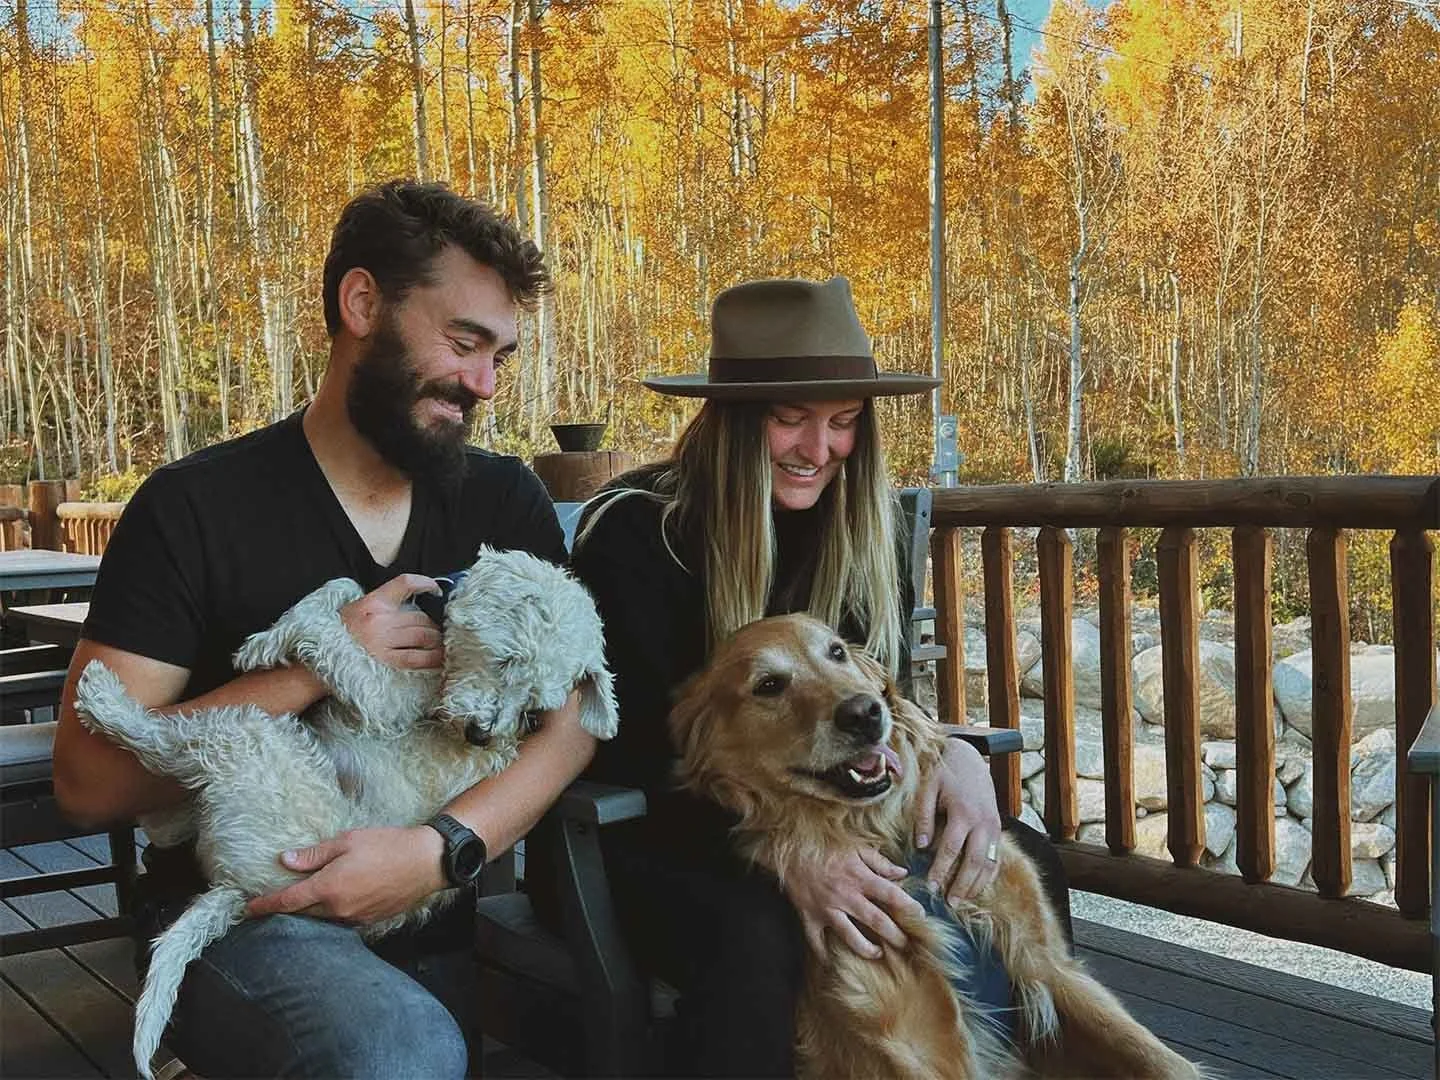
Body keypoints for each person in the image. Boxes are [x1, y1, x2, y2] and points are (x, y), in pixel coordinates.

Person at [52, 180, 598, 1079]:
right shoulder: (195, 508)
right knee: (398, 1050)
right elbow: (85, 780)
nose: (484, 384)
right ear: (360, 304)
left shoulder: (506, 500)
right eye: (464, 342)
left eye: (501, 355)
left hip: (436, 908)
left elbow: (576, 721)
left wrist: (441, 850)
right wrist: (314, 667)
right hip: (241, 915)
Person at [567, 276, 1072, 1077]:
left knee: (1020, 855)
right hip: (656, 835)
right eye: (789, 418)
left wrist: (954, 756)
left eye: (842, 423)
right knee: (758, 930)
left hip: (830, 816)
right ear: (732, 419)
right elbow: (621, 753)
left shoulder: (860, 535)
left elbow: (883, 708)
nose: (819, 449)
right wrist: (779, 855)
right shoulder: (636, 536)